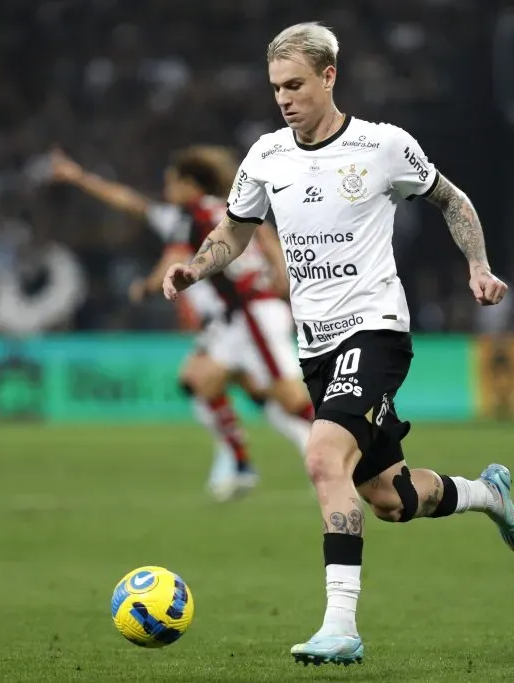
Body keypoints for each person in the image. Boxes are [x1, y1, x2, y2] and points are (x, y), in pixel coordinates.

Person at [161, 22, 514, 666]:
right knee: (390, 498)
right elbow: (236, 229)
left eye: (296, 84)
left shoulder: (381, 146)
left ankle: (340, 626)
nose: (285, 98)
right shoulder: (267, 156)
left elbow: (451, 199)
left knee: (321, 456)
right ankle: (487, 495)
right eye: (276, 87)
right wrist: (197, 266)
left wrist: (479, 266)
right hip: (316, 346)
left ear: (329, 77)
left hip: (375, 329)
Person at [48, 144, 315, 500]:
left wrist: (148, 286)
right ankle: (241, 463)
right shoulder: (228, 207)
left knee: (290, 397)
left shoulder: (189, 216)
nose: (166, 190)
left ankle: (351, 450)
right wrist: (280, 272)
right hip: (238, 317)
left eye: (172, 182)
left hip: (252, 313)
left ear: (191, 184)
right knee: (200, 378)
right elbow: (264, 233)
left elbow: (170, 252)